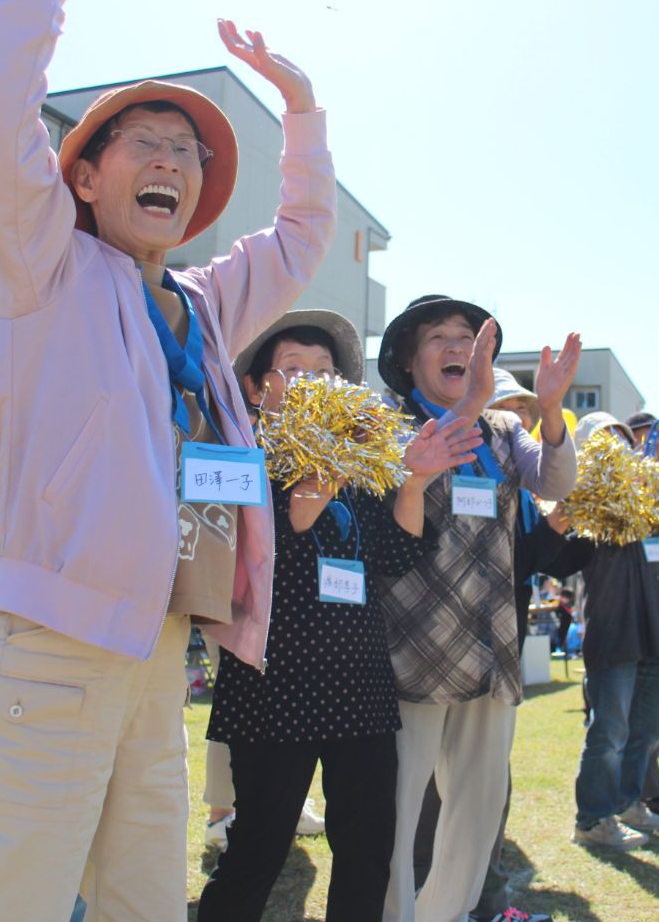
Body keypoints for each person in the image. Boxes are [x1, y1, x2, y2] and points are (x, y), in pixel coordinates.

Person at [0, 0, 335, 917]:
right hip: (46, 635)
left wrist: (301, 110)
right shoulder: (47, 264)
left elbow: (299, 239)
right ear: (82, 176)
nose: (172, 161)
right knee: (11, 901)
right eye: (144, 145)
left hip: (162, 647)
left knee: (149, 898)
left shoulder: (202, 306)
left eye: (187, 153)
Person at [196, 311, 479, 922]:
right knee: (258, 852)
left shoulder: (358, 466)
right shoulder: (241, 462)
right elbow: (265, 548)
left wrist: (411, 481)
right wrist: (321, 473)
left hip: (359, 689)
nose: (313, 384)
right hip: (275, 689)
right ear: (254, 388)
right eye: (294, 371)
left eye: (325, 373)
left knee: (366, 850)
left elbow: (396, 554)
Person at [375, 295, 580, 922]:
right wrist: (469, 404)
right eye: (438, 336)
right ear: (409, 361)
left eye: (469, 335)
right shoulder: (387, 427)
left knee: (479, 804)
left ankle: (449, 914)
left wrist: (549, 410)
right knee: (397, 808)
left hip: (491, 648)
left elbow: (555, 484)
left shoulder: (503, 430)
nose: (458, 346)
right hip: (412, 651)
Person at [540, 413, 659, 851]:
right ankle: (592, 819)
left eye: (624, 442)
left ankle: (630, 803)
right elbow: (557, 562)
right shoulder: (586, 503)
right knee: (609, 731)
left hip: (651, 634)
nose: (621, 449)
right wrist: (567, 513)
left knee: (646, 731)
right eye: (608, 441)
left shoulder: (640, 502)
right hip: (613, 634)